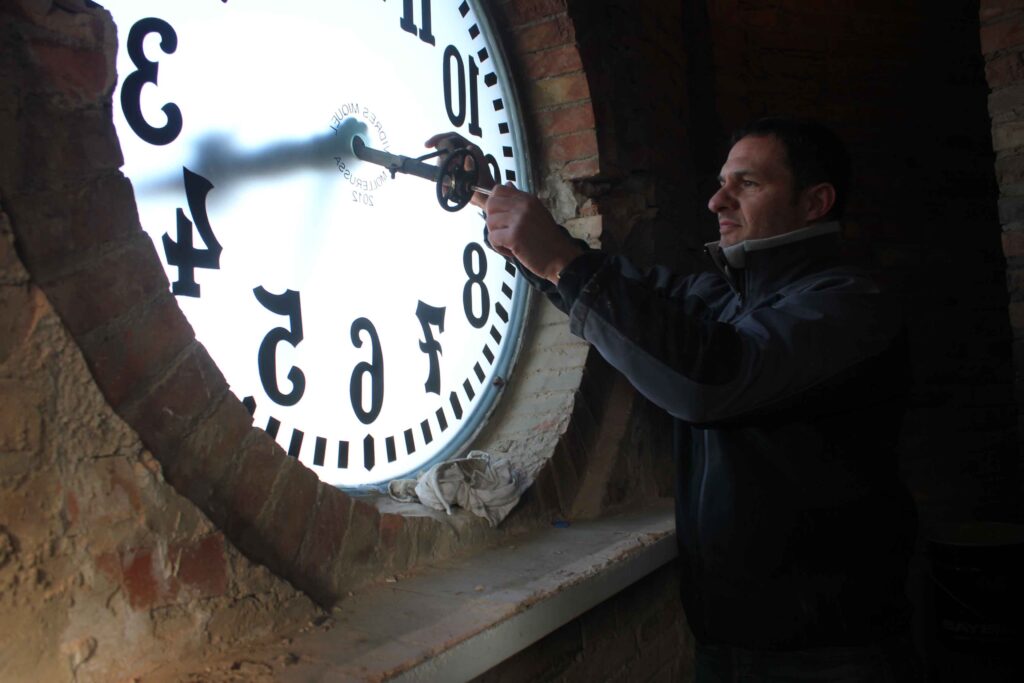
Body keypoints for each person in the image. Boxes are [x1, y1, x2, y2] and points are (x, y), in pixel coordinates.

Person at [428, 118, 919, 682]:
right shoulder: (731, 301)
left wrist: (560, 258)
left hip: (832, 656)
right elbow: (620, 289)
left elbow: (712, 379)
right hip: (730, 645)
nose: (717, 200)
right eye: (721, 182)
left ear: (815, 202)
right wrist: (500, 209)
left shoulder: (851, 308)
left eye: (747, 184)